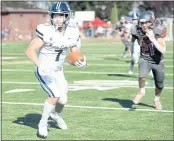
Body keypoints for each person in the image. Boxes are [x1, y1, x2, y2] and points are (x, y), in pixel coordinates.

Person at [25, 2, 87, 138]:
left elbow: (74, 53)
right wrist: (39, 65)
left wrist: (80, 60)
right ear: (51, 16)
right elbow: (30, 50)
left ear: (67, 16)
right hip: (44, 69)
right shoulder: (46, 30)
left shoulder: (72, 31)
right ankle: (42, 123)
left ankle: (56, 115)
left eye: (61, 15)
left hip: (58, 70)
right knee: (55, 95)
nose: (58, 18)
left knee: (63, 100)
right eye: (55, 15)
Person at [131, 11, 167, 110]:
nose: (143, 25)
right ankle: (142, 91)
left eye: (146, 23)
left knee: (160, 85)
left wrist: (153, 39)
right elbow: (134, 39)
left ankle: (156, 99)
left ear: (151, 22)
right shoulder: (136, 30)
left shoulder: (158, 31)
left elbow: (163, 49)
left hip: (157, 61)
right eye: (142, 23)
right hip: (145, 58)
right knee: (142, 76)